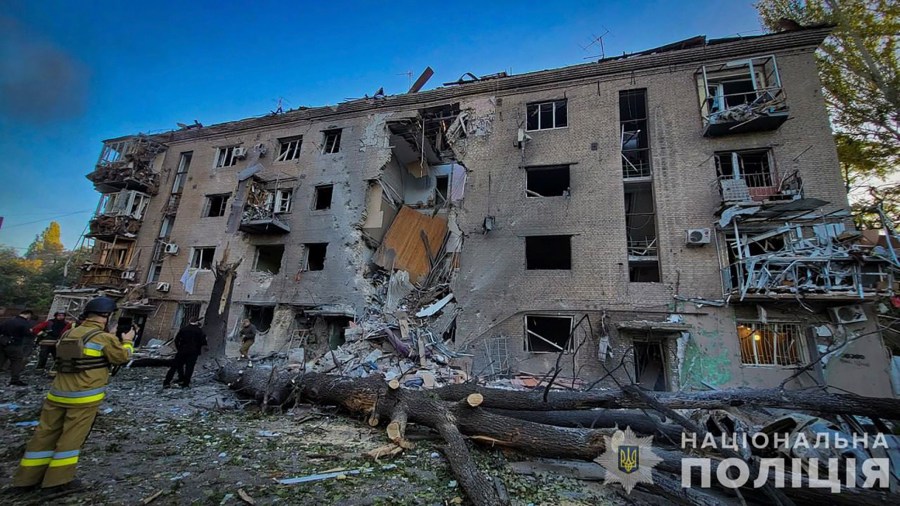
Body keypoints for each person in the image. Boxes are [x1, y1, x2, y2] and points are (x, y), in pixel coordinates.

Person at [12, 297, 133, 491]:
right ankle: (57, 481)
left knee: (44, 435)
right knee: (71, 437)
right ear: (106, 317)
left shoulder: (69, 332)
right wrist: (127, 342)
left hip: (57, 394)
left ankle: (26, 479)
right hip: (84, 397)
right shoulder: (103, 338)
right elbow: (121, 358)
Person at [163, 318, 207, 388]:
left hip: (182, 351)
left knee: (174, 366)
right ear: (197, 322)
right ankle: (186, 383)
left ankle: (167, 382)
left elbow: (177, 340)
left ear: (189, 321)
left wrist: (179, 348)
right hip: (193, 352)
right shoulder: (200, 331)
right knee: (189, 368)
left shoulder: (183, 329)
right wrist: (198, 349)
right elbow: (203, 342)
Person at [0, 309, 35, 386]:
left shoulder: (8, 321)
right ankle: (15, 380)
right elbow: (29, 334)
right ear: (28, 315)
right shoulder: (25, 323)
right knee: (16, 362)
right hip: (15, 344)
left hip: (3, 343)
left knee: (1, 360)